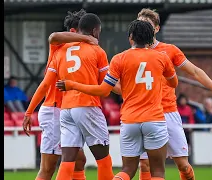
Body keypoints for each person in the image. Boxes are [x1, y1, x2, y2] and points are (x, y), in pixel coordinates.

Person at [56, 19, 178, 180]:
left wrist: (73, 85)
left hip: (129, 121)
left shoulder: (119, 59)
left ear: (131, 38)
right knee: (158, 172)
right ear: (150, 38)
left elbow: (103, 90)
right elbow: (173, 83)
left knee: (127, 170)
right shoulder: (161, 58)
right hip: (154, 119)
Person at [136, 8, 212, 180]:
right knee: (145, 164)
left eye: (148, 25)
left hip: (168, 112)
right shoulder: (132, 53)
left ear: (156, 29)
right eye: (141, 24)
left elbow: (194, 71)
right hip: (145, 113)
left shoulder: (170, 50)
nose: (144, 28)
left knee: (184, 165)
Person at [22, 9, 98, 180]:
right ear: (73, 32)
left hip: (68, 112)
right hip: (54, 110)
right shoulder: (60, 48)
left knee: (79, 160)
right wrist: (29, 111)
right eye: (82, 31)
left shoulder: (82, 52)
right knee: (48, 168)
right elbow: (54, 37)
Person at [46, 13, 115, 180]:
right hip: (87, 105)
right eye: (99, 31)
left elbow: (53, 37)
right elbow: (105, 86)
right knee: (103, 159)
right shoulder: (97, 50)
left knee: (67, 160)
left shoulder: (61, 50)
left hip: (67, 108)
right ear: (95, 30)